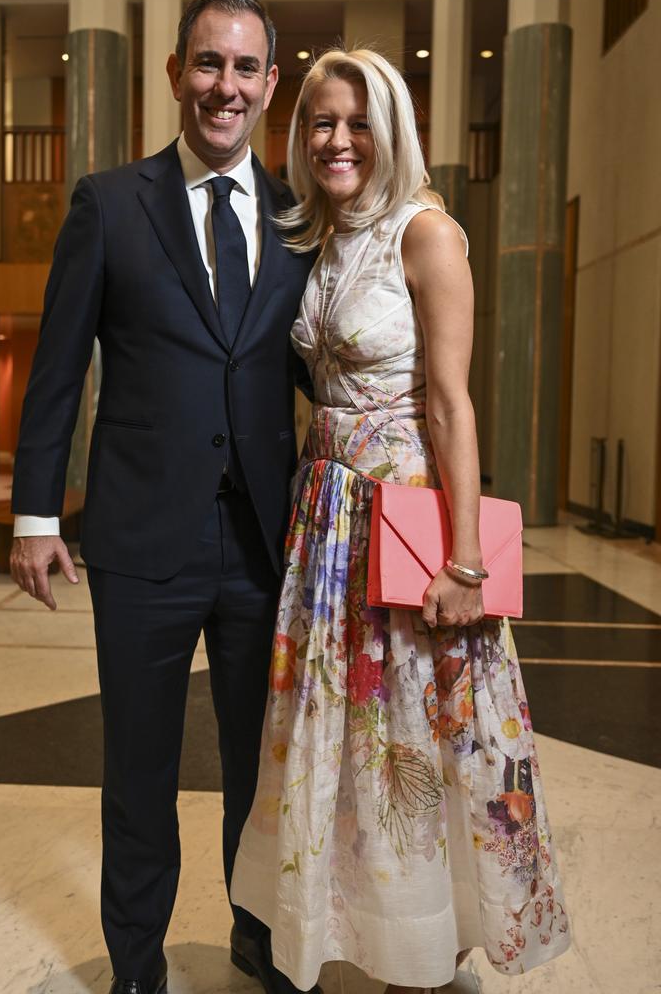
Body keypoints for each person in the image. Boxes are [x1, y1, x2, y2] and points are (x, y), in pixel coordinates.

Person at [230, 48, 571, 994]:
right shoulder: (322, 233)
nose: (336, 140)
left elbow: (454, 406)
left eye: (356, 121)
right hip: (325, 520)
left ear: (392, 128)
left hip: (401, 519)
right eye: (319, 123)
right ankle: (362, 924)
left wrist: (464, 560)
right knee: (342, 738)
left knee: (414, 737)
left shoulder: (428, 234)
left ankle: (426, 947)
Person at [9, 0, 320, 994]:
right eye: (206, 63)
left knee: (258, 773)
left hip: (263, 549)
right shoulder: (111, 203)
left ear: (270, 84)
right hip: (142, 544)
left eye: (243, 68)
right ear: (176, 72)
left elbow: (329, 367)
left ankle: (256, 935)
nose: (222, 86)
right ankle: (136, 962)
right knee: (138, 771)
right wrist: (34, 512)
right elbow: (57, 369)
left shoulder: (298, 220)